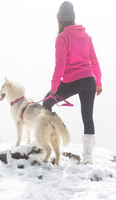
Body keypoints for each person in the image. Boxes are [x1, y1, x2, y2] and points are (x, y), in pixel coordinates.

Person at [43, 1, 102, 164]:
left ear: (59, 20)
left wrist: (54, 88)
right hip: (89, 80)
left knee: (46, 104)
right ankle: (88, 157)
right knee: (88, 117)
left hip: (73, 81)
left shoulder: (62, 37)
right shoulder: (86, 36)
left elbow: (60, 65)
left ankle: (49, 140)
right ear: (73, 18)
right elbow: (94, 61)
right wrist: (98, 81)